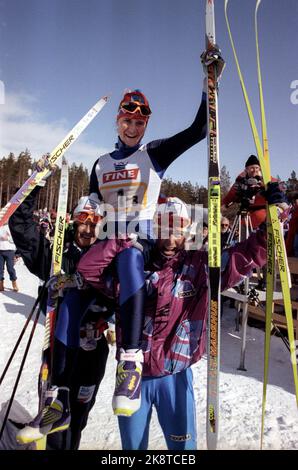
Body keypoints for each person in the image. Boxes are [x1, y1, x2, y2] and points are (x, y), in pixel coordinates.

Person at [76, 187, 285, 450]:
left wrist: (272, 222)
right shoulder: (133, 266)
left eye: (178, 231)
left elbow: (244, 257)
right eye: (164, 230)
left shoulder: (199, 267)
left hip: (175, 377)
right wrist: (122, 240)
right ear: (155, 229)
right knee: (132, 448)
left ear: (187, 232)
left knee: (184, 450)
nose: (171, 239)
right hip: (133, 378)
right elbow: (88, 269)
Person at [87, 48, 224, 416]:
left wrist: (209, 84)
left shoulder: (153, 154)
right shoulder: (99, 164)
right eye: (127, 122)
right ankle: (57, 398)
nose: (133, 129)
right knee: (74, 289)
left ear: (145, 126)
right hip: (106, 244)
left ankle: (130, 361)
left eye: (140, 124)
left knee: (130, 254)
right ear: (117, 122)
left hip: (141, 243)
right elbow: (90, 206)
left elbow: (198, 130)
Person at [8, 186, 111, 449]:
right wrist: (36, 185)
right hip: (58, 351)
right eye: (82, 221)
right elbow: (19, 224)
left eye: (94, 222)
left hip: (91, 350)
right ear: (74, 221)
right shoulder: (57, 254)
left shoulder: (109, 258)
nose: (87, 229)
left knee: (78, 419)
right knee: (53, 422)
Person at [222, 155, 269, 229]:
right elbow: (231, 195)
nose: (254, 170)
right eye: (252, 168)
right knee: (244, 227)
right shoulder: (241, 181)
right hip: (247, 212)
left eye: (257, 168)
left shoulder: (265, 179)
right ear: (247, 169)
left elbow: (276, 188)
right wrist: (223, 204)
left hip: (263, 214)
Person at [0, 223, 18, 292]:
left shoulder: (11, 226)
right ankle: (1, 284)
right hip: (0, 250)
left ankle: (14, 283)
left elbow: (16, 239)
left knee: (10, 268)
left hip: (9, 251)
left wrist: (7, 238)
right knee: (0, 269)